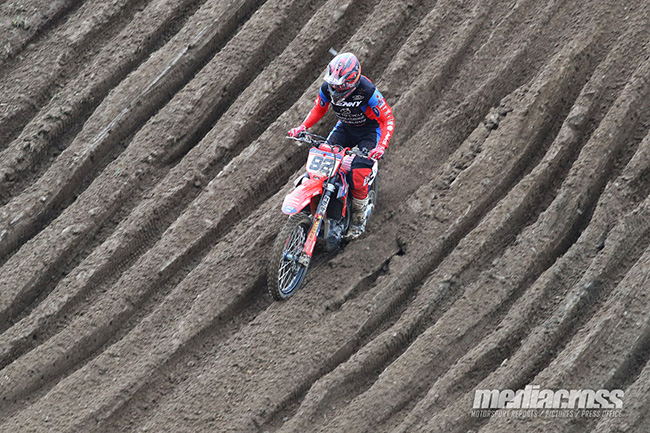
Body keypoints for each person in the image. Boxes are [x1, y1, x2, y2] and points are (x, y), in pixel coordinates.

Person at [288, 52, 395, 239]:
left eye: (340, 86)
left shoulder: (367, 91)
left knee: (358, 173)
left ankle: (358, 220)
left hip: (369, 132)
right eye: (333, 85)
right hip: (345, 128)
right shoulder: (327, 87)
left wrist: (381, 146)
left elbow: (387, 119)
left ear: (352, 82)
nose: (335, 89)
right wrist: (303, 127)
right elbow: (319, 108)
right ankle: (311, 205)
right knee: (320, 161)